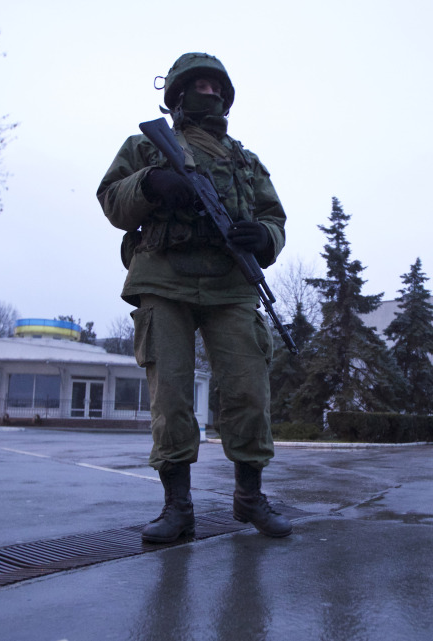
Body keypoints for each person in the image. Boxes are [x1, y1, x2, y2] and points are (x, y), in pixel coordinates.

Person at [96, 52, 292, 542]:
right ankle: (177, 509)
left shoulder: (245, 161)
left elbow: (275, 218)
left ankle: (249, 498)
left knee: (249, 391)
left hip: (231, 284)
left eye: (215, 86)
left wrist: (263, 238)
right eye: (198, 85)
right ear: (178, 94)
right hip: (164, 278)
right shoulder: (146, 146)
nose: (209, 93)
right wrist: (151, 182)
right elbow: (112, 200)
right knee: (173, 397)